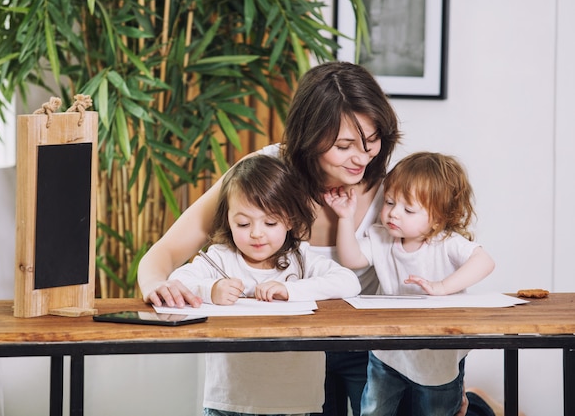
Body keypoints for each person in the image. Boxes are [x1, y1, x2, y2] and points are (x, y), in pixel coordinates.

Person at [138, 61, 401, 416]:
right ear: (309, 137)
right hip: (287, 355)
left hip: (365, 350)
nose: (362, 158)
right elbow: (168, 249)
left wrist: (443, 379)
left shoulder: (391, 188)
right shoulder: (264, 175)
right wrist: (156, 284)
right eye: (343, 146)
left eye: (372, 141)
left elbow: (431, 263)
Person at [168, 155, 361, 415]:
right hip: (229, 400)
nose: (257, 233)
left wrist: (291, 291)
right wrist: (211, 290)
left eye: (270, 223)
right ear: (228, 219)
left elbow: (349, 282)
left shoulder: (301, 260)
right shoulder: (220, 260)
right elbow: (176, 281)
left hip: (296, 401)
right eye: (243, 224)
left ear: (290, 220)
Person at [324, 151, 496, 416]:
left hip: (437, 355)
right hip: (388, 352)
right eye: (390, 202)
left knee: (438, 411)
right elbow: (351, 258)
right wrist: (345, 218)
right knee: (372, 411)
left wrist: (443, 286)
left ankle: (480, 404)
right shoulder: (383, 239)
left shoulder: (446, 243)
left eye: (408, 209)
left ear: (437, 219)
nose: (394, 213)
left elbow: (484, 261)